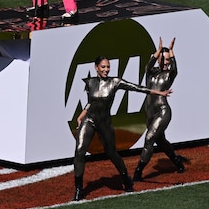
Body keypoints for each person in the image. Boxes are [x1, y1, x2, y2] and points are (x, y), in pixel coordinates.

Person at [73, 56, 171, 201]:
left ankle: (126, 179)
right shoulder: (90, 82)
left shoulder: (115, 82)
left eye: (108, 67)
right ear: (96, 68)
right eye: (103, 67)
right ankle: (78, 190)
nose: (106, 69)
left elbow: (137, 88)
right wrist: (81, 116)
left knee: (112, 154)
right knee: (79, 151)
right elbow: (90, 103)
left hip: (104, 123)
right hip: (90, 120)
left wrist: (159, 93)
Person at [134, 38, 186, 181]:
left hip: (162, 111)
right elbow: (149, 64)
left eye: (169, 60)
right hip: (149, 112)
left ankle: (138, 171)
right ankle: (176, 161)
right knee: (160, 141)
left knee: (149, 138)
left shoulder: (170, 74)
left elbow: (175, 69)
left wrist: (172, 52)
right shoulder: (150, 72)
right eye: (165, 60)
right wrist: (158, 51)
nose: (167, 62)